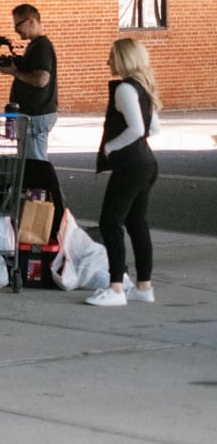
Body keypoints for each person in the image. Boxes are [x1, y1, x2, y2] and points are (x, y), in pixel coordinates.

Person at [85, 38, 161, 307]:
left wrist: (110, 147)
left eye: (111, 56)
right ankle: (143, 286)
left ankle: (116, 287)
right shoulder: (143, 87)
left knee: (110, 222)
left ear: (124, 59)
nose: (108, 62)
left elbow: (138, 129)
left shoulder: (125, 89)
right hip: (146, 164)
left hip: (130, 166)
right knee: (136, 222)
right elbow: (153, 129)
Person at [0, 3, 57, 161]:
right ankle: (35, 185)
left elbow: (41, 80)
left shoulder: (42, 47)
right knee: (30, 162)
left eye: (18, 24)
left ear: (32, 20)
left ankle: (40, 186)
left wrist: (14, 72)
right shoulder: (35, 46)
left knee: (35, 163)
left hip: (36, 114)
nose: (15, 29)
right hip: (33, 114)